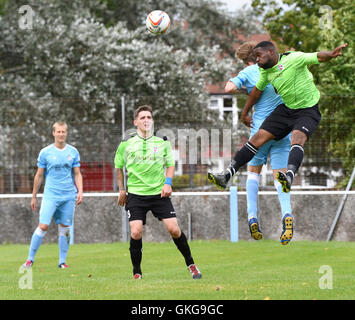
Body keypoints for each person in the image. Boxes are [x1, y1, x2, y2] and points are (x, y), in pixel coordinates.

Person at [208, 41, 347, 241]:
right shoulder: (265, 71)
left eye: (259, 56)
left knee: (297, 139)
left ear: (271, 52)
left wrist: (331, 55)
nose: (256, 60)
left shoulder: (294, 58)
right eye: (254, 57)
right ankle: (227, 174)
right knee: (257, 139)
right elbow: (256, 91)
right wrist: (245, 110)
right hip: (286, 111)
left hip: (307, 110)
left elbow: (316, 56)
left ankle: (287, 178)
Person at [115, 105, 201, 280]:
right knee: (136, 231)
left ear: (152, 121)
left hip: (158, 194)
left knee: (174, 229)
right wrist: (122, 190)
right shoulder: (126, 143)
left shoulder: (162, 141)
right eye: (142, 117)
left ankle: (191, 264)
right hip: (136, 195)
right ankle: (137, 272)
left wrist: (168, 183)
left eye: (149, 117)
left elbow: (170, 164)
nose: (146, 120)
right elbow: (118, 167)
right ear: (135, 122)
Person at [224, 42, 292, 244]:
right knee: (281, 174)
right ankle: (287, 214)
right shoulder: (278, 67)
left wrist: (245, 89)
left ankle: (252, 216)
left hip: (260, 132)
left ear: (246, 60)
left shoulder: (249, 71)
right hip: (282, 129)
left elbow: (228, 88)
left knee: (253, 173)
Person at [22, 121, 83, 269]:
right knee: (43, 226)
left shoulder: (73, 152)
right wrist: (34, 196)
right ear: (53, 133)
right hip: (51, 195)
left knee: (65, 227)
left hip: (68, 196)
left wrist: (80, 191)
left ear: (66, 133)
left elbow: (77, 173)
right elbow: (39, 175)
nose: (61, 134)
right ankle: (30, 260)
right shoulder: (45, 152)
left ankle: (62, 262)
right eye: (58, 132)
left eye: (63, 132)